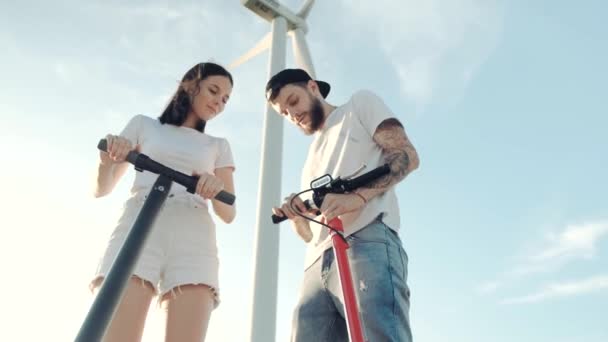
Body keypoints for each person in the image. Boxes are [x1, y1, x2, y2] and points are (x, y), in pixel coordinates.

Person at [267, 68, 419, 341]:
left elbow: (406, 155)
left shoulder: (358, 105)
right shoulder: (309, 160)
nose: (292, 115)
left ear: (313, 87)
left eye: (293, 101)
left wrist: (356, 197)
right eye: (284, 114)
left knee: (379, 335)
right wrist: (297, 217)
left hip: (366, 239)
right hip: (316, 263)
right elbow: (310, 236)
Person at [90, 62, 236, 342]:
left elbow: (228, 214)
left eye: (225, 99)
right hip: (139, 218)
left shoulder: (218, 145)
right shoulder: (144, 125)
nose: (219, 102)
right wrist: (106, 161)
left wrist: (214, 187)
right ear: (190, 85)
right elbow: (102, 188)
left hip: (193, 231)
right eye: (214, 90)